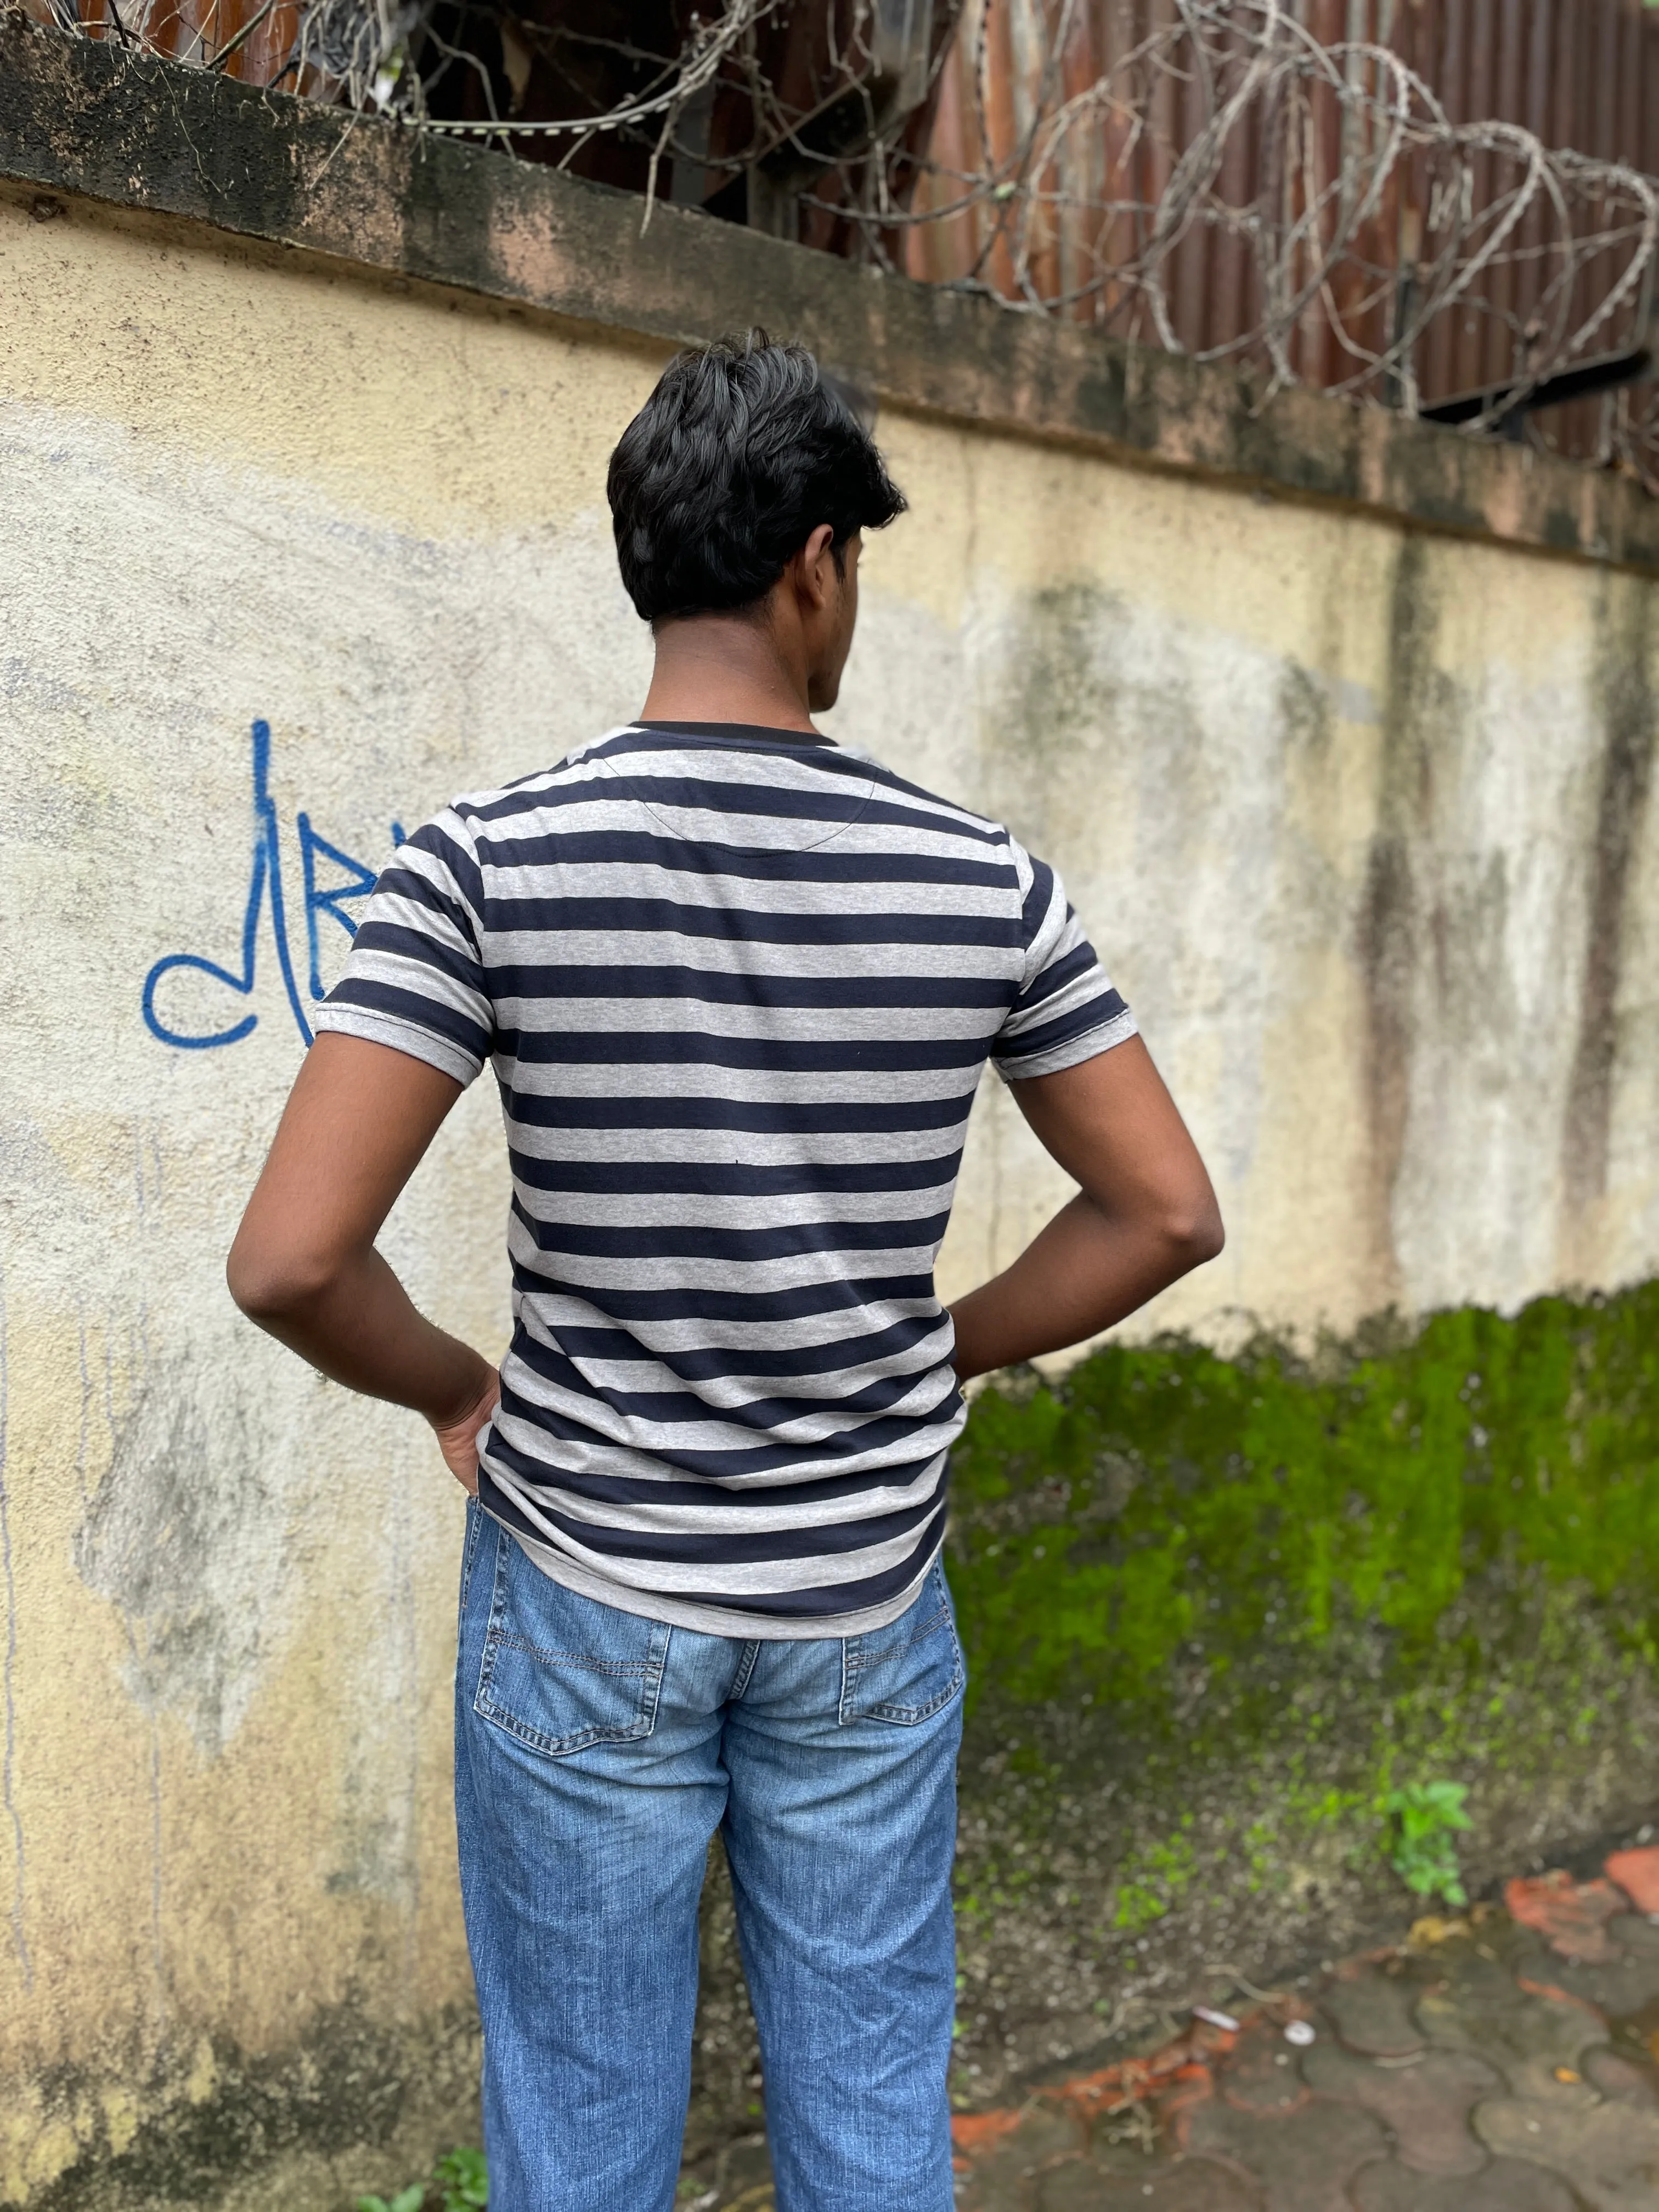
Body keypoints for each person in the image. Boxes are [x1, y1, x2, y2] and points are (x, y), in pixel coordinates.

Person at [227, 332, 1223, 2212]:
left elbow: (290, 1260)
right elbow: (1165, 1213)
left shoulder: (483, 862)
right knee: (864, 2104)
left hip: (583, 1582)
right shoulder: (977, 875)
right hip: (863, 1594)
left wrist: (457, 1387)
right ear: (816, 562)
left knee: (583, 2123)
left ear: (646, 561)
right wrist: (951, 1344)